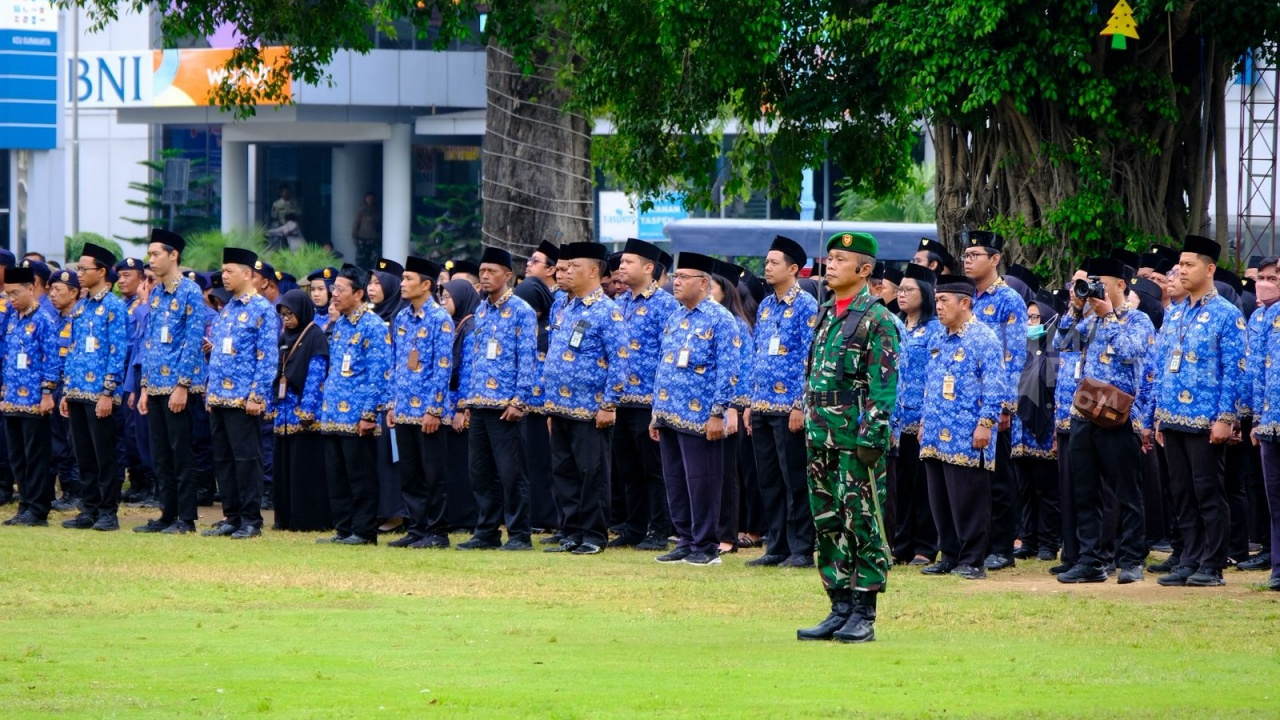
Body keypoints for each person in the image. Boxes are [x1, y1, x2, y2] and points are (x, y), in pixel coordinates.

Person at [794, 231, 898, 644]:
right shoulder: (824, 314)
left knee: (863, 521)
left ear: (864, 269)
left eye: (840, 259)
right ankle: (838, 605)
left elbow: (883, 386)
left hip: (856, 440)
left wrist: (872, 437)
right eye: (830, 258)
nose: (830, 265)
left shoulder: (877, 319)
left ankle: (864, 610)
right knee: (827, 521)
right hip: (821, 435)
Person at [1152, 235, 1246, 587]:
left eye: (1189, 265)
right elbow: (1162, 366)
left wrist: (1226, 417)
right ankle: (1189, 558)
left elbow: (1235, 369)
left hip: (1206, 419)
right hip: (1173, 417)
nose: (1182, 271)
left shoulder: (1227, 315)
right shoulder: (1174, 314)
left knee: (1208, 491)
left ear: (1209, 269)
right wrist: (1159, 416)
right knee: (1182, 492)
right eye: (1180, 265)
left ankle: (1213, 563)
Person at [1056, 258, 1155, 584]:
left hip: (1118, 416)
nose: (1095, 290)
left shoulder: (1138, 320)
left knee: (1126, 492)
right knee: (1085, 492)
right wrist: (1075, 307)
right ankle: (1090, 561)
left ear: (1121, 286)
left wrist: (1108, 315)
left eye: (1101, 284)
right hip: (1084, 414)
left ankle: (1130, 560)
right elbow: (1061, 344)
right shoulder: (1090, 320)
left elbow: (1130, 351)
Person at [649, 252, 740, 567]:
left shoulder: (720, 319)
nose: (676, 281)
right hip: (670, 413)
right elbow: (664, 365)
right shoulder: (675, 316)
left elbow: (729, 370)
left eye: (684, 277)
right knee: (675, 480)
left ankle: (706, 545)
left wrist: (718, 413)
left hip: (701, 415)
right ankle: (686, 539)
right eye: (675, 276)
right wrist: (656, 412)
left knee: (702, 481)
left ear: (704, 283)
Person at [535, 242, 626, 555]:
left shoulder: (607, 312)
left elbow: (620, 361)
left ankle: (593, 535)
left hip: (591, 408)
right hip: (559, 406)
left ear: (592, 271)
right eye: (565, 266)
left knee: (593, 474)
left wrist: (609, 404)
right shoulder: (563, 306)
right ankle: (570, 531)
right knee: (564, 472)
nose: (566, 272)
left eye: (574, 267)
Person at [918, 274, 1006, 580]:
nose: (938, 306)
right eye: (937, 300)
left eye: (944, 301)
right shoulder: (938, 337)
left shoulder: (983, 337)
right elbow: (930, 382)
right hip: (935, 431)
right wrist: (924, 422)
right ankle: (950, 554)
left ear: (964, 303)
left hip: (967, 432)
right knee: (939, 499)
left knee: (968, 498)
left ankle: (972, 559)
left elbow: (995, 385)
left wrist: (986, 423)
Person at [454, 247, 539, 551]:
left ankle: (519, 534)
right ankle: (487, 531)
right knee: (481, 472)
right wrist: (465, 404)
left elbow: (528, 359)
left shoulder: (521, 310)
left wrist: (520, 400)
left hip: (506, 406)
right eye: (482, 271)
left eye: (492, 271)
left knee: (512, 473)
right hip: (479, 403)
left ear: (508, 275)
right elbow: (472, 359)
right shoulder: (480, 310)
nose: (485, 276)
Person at [746, 235, 819, 569]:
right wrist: (749, 402)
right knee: (769, 480)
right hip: (761, 404)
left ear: (793, 269)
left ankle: (801, 547)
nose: (767, 266)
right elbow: (757, 354)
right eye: (767, 261)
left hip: (788, 406)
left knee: (794, 480)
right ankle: (775, 545)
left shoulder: (805, 304)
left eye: (775, 262)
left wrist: (799, 404)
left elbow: (810, 358)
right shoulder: (765, 305)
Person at [133, 229, 207, 535]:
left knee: (181, 452)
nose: (150, 260)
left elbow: (192, 342)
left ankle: (185, 518)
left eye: (155, 254)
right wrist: (145, 387)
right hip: (157, 385)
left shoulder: (189, 291)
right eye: (149, 254)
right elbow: (150, 342)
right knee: (160, 453)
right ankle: (167, 513)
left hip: (179, 386)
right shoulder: (157, 293)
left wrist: (182, 385)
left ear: (173, 255)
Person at [201, 248, 278, 540]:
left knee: (247, 459)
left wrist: (257, 396)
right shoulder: (227, 310)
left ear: (247, 274)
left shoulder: (261, 310)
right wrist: (210, 390)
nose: (224, 276)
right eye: (223, 270)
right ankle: (231, 516)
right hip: (219, 396)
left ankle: (250, 519)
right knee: (223, 459)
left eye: (230, 271)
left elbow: (267, 357)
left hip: (244, 399)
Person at [961, 231, 1027, 571]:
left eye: (975, 254)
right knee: (974, 478)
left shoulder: (1008, 300)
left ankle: (1003, 546)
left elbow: (1012, 358)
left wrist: (1003, 406)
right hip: (965, 403)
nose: (967, 259)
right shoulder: (967, 297)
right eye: (966, 254)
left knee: (999, 477)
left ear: (995, 259)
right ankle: (977, 543)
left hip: (994, 403)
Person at [610, 239, 678, 551]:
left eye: (628, 262)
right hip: (621, 401)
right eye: (621, 263)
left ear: (648, 268)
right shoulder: (620, 303)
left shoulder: (665, 305)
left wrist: (662, 404)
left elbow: (671, 355)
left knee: (654, 470)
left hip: (649, 402)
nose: (621, 268)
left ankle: (659, 529)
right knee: (628, 468)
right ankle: (634, 526)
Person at [316, 267, 392, 546]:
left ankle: (363, 531)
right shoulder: (341, 324)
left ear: (358, 294)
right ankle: (343, 528)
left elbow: (379, 373)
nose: (333, 295)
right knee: (337, 476)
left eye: (340, 290)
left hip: (358, 415)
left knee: (360, 476)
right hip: (334, 412)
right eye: (333, 289)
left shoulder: (372, 325)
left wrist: (369, 414)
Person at [386, 256, 455, 549]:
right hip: (403, 409)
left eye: (408, 279)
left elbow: (443, 367)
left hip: (428, 411)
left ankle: (437, 531)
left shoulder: (440, 319)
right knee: (410, 472)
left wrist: (434, 409)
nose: (402, 284)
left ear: (426, 284)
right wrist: (392, 403)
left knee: (433, 473)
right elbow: (395, 364)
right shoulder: (401, 318)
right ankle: (416, 528)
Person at [57, 246, 127, 531]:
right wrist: (67, 390)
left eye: (84, 269)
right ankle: (89, 508)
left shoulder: (114, 306)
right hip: (76, 392)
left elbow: (117, 352)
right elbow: (73, 351)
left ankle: (108, 512)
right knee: (83, 454)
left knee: (104, 455)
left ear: (101, 272)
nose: (79, 274)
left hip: (100, 394)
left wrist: (108, 392)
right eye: (78, 269)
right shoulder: (82, 306)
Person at [888, 263, 942, 565]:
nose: (902, 294)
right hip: (897, 419)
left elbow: (935, 375)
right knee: (901, 487)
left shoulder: (935, 329)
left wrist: (927, 419)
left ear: (926, 293)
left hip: (922, 419)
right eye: (900, 289)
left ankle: (925, 545)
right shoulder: (894, 325)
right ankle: (901, 544)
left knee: (923, 486)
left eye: (909, 289)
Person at [0, 266, 62, 526]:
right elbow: (8, 358)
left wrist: (47, 393)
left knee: (35, 455)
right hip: (13, 398)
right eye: (7, 294)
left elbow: (51, 360)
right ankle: (25, 504)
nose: (11, 299)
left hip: (35, 400)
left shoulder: (44, 320)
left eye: (15, 293)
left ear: (31, 288)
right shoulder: (13, 319)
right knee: (17, 457)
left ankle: (38, 509)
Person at [272, 289, 332, 531]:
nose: (286, 319)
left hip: (303, 417)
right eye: (283, 314)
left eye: (290, 313)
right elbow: (277, 371)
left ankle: (306, 519)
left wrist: (307, 410)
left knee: (304, 470)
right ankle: (284, 518)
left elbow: (316, 375)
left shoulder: (315, 336)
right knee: (284, 469)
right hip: (283, 415)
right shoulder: (284, 337)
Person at [1010, 294, 1063, 563]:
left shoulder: (1056, 351)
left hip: (1043, 431)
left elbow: (1056, 392)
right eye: (1028, 318)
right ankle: (1028, 539)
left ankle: (1048, 542)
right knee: (1025, 489)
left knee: (1046, 490)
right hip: (1020, 432)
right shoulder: (1022, 349)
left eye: (1036, 318)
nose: (1031, 323)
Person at [441, 279, 481, 531]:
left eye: (447, 297)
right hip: (450, 405)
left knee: (463, 467)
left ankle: (466, 519)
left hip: (461, 409)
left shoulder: (471, 328)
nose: (443, 302)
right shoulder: (457, 326)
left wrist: (460, 409)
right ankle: (456, 517)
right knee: (452, 466)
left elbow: (467, 372)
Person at [46, 269, 82, 511]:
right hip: (55, 386)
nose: (52, 295)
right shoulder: (54, 320)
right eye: (50, 290)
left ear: (74, 292)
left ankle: (79, 491)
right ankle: (67, 489)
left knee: (75, 441)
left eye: (58, 290)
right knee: (58, 441)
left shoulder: (81, 319)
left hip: (74, 387)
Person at [352, 193, 381, 270]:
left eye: (371, 198)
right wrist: (355, 237)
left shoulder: (377, 210)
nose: (370, 200)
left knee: (374, 261)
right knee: (361, 262)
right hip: (363, 240)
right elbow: (356, 224)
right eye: (368, 198)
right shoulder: (362, 210)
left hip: (375, 240)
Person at [306, 267, 336, 332]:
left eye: (320, 289)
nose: (316, 294)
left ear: (330, 290)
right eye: (312, 289)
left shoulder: (337, 317)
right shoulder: (308, 316)